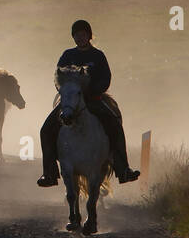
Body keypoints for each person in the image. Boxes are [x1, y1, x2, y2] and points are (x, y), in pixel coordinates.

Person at [37, 19, 140, 187]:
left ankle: (123, 169)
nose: (80, 38)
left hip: (93, 100)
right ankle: (49, 173)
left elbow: (106, 79)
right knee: (46, 130)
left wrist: (91, 91)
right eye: (76, 35)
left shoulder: (97, 56)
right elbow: (58, 78)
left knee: (114, 125)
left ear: (89, 36)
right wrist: (65, 91)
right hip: (70, 102)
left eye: (83, 34)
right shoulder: (67, 55)